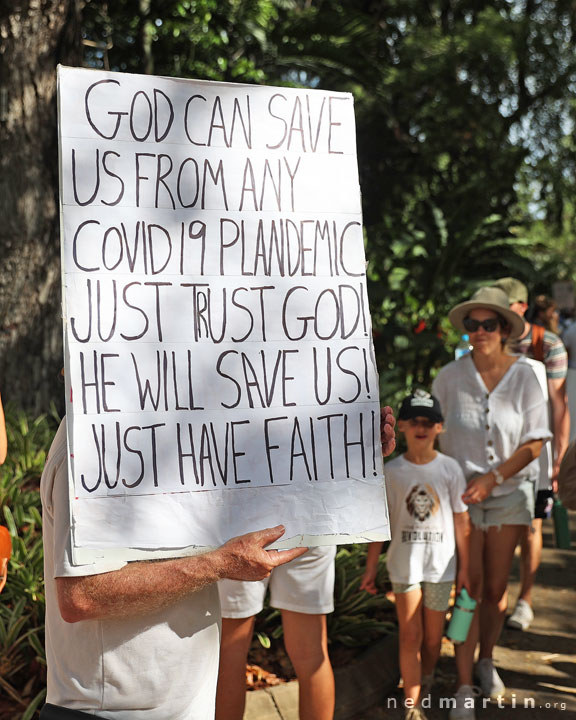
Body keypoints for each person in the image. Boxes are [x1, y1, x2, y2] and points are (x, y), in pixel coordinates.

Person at [40, 419, 309, 720]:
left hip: (184, 706)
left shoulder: (174, 425)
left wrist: (352, 442)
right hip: (109, 712)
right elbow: (82, 595)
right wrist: (218, 564)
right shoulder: (91, 440)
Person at [215, 406, 397, 720]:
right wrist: (359, 440)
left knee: (232, 650)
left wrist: (362, 440)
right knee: (309, 650)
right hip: (308, 504)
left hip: (244, 506)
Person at [432, 286, 551, 720]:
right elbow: (434, 435)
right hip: (461, 502)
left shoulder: (525, 375)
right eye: (472, 324)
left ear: (504, 329)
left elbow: (536, 441)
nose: (480, 332)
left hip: (508, 496)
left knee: (496, 592)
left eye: (489, 324)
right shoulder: (448, 377)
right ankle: (462, 683)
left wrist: (494, 477)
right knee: (468, 590)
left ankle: (486, 659)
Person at [360, 391, 470, 720]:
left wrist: (466, 567)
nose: (420, 428)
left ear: (439, 427)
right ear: (402, 426)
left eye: (428, 422)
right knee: (411, 634)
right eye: (412, 421)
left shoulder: (450, 469)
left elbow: (461, 520)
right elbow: (382, 525)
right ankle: (412, 703)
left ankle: (427, 675)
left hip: (442, 567)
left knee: (434, 640)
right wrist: (370, 567)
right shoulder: (391, 473)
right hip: (404, 565)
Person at [492, 278, 569, 631]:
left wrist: (559, 459)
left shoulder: (546, 344)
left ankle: (525, 599)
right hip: (492, 451)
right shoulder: (487, 339)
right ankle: (490, 599)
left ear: (521, 307)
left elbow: (559, 404)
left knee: (530, 525)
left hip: (535, 452)